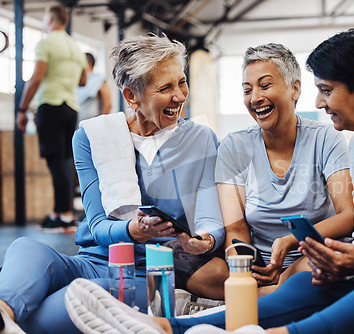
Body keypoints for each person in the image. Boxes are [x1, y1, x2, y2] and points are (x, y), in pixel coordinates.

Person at [64, 28, 354, 334]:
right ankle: (168, 326)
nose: (318, 101)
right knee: (323, 278)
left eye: (326, 90)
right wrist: (350, 259)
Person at [0, 34, 227, 334]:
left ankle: (16, 316)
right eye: (165, 88)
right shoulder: (92, 136)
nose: (179, 95)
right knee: (26, 248)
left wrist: (207, 239)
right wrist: (134, 229)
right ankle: (3, 312)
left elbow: (211, 216)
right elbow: (97, 226)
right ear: (132, 96)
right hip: (92, 259)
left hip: (145, 272)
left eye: (181, 82)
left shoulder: (200, 139)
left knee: (69, 304)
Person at [216, 43, 354, 293]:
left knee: (313, 268)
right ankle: (265, 294)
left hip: (311, 259)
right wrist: (244, 272)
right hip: (262, 269)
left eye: (265, 85)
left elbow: (348, 215)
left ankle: (271, 294)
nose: (255, 97)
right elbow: (235, 229)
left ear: (295, 88)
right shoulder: (233, 146)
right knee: (201, 267)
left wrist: (290, 241)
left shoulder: (326, 138)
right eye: (247, 90)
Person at [16, 4, 87, 233]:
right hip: (71, 107)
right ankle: (58, 211)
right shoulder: (75, 47)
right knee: (64, 160)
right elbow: (83, 80)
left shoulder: (46, 43)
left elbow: (36, 78)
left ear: (50, 19)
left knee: (56, 161)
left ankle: (65, 215)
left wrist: (22, 108)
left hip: (51, 105)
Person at [77, 52, 112, 123]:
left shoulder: (100, 80)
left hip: (92, 125)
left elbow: (108, 104)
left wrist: (101, 124)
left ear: (88, 62)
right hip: (76, 126)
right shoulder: (78, 81)